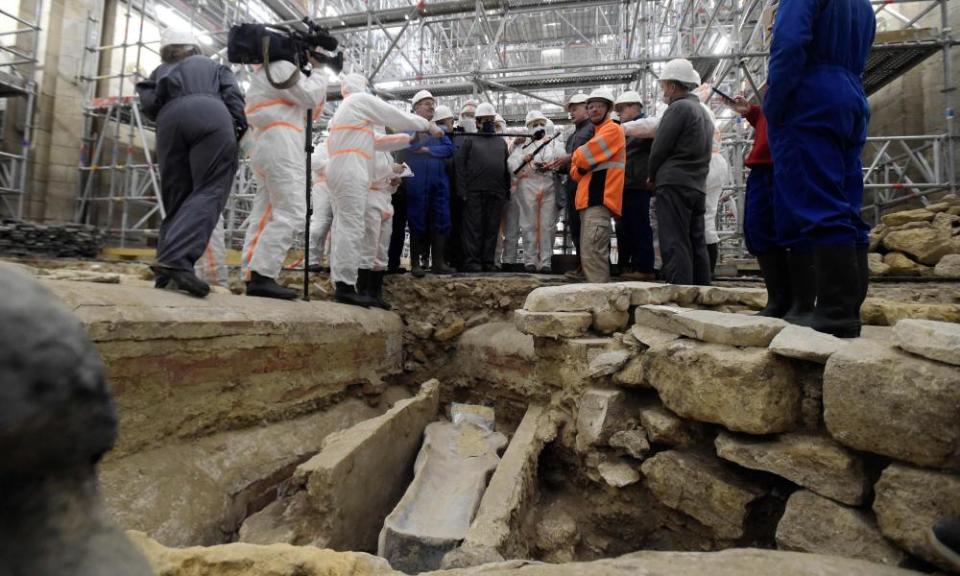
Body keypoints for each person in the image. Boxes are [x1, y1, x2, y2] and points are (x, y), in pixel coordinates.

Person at [765, 0, 875, 338]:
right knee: (846, 201)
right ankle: (847, 307)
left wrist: (775, 102)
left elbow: (788, 43)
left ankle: (833, 312)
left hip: (811, 93)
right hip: (850, 92)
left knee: (818, 201)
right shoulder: (862, 5)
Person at [136, 28, 246, 298]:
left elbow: (148, 105)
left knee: (177, 198)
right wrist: (239, 128)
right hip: (210, 113)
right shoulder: (213, 66)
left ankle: (165, 272)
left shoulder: (159, 71)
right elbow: (233, 96)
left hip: (169, 121)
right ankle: (178, 260)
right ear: (194, 47)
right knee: (210, 189)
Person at [326, 74, 438, 307]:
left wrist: (411, 139)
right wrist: (425, 125)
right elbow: (393, 115)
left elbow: (381, 141)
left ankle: (350, 285)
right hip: (351, 169)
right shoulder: (358, 101)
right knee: (352, 228)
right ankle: (345, 286)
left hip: (347, 169)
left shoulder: (351, 116)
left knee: (352, 229)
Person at [240, 56, 326, 300]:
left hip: (265, 142)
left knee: (264, 212)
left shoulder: (262, 72)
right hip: (282, 143)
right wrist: (320, 71)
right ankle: (262, 274)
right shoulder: (280, 68)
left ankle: (251, 271)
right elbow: (310, 97)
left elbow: (312, 108)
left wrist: (311, 77)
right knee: (292, 211)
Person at [647, 59, 714, 286]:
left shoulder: (678, 108)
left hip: (674, 183)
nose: (663, 91)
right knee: (696, 241)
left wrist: (651, 174)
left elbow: (660, 147)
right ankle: (702, 292)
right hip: (697, 185)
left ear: (673, 86)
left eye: (664, 86)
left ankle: (681, 294)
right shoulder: (703, 112)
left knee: (674, 239)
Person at [728, 95, 789, 316]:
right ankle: (779, 299)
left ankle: (798, 301)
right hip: (764, 164)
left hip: (784, 161)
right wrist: (753, 112)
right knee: (759, 230)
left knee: (790, 232)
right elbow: (770, 119)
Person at [569, 88, 626, 284]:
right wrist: (580, 163)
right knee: (590, 256)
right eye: (590, 106)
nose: (593, 110)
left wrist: (578, 157)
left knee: (594, 256)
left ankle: (602, 305)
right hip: (589, 201)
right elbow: (575, 173)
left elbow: (581, 158)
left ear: (608, 108)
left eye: (598, 106)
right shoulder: (597, 133)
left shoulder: (612, 130)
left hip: (599, 200)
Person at [398, 90, 455, 277]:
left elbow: (448, 149)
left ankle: (438, 263)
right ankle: (416, 264)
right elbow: (409, 144)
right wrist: (423, 144)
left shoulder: (436, 129)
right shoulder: (408, 126)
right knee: (417, 219)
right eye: (426, 103)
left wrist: (426, 150)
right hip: (417, 179)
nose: (431, 105)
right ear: (415, 108)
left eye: (432, 103)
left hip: (438, 181)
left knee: (441, 218)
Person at [358, 132, 412, 310]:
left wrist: (394, 183)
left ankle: (376, 292)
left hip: (385, 200)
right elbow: (371, 174)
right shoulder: (369, 150)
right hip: (371, 198)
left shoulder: (387, 154)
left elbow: (386, 183)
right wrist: (391, 171)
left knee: (382, 248)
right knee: (369, 245)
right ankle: (363, 290)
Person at [456, 102, 511, 272]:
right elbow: (460, 166)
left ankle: (488, 261)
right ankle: (472, 262)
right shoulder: (469, 140)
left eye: (491, 119)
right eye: (485, 120)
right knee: (474, 228)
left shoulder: (500, 143)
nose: (489, 122)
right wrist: (462, 190)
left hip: (496, 191)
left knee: (491, 228)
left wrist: (506, 190)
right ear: (478, 122)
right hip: (474, 191)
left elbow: (505, 167)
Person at [547, 93, 594, 280]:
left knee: (587, 229)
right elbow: (572, 164)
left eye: (575, 108)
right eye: (570, 110)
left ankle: (589, 268)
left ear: (586, 108)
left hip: (587, 187)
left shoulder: (592, 130)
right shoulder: (574, 134)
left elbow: (590, 155)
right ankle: (581, 265)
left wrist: (569, 157)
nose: (572, 113)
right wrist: (560, 168)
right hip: (574, 188)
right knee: (576, 228)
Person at [509, 110, 559, 273]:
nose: (538, 127)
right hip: (528, 186)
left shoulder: (553, 143)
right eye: (534, 124)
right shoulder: (523, 145)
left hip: (548, 185)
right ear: (528, 127)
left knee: (547, 225)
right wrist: (522, 159)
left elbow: (562, 159)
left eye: (541, 124)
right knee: (528, 225)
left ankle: (546, 262)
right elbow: (512, 164)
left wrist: (551, 165)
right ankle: (529, 261)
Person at [613, 90, 655, 281]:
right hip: (626, 185)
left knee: (639, 226)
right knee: (625, 228)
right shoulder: (627, 129)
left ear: (633, 107)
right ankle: (629, 265)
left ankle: (644, 267)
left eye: (621, 109)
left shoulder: (645, 127)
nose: (619, 113)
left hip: (638, 185)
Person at [306, 145, 332, 273]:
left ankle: (332, 262)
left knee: (338, 229)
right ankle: (312, 260)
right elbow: (313, 162)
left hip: (340, 188)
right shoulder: (323, 146)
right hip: (323, 188)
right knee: (320, 225)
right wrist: (335, 164)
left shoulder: (346, 146)